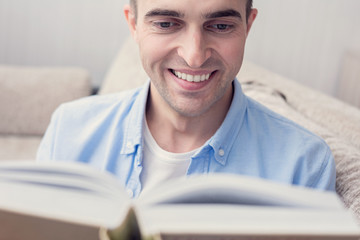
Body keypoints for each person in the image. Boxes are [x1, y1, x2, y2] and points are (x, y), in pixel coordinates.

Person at [37, 0, 336, 197]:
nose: (194, 57)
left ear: (248, 26)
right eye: (166, 24)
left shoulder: (305, 165)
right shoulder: (69, 130)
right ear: (133, 25)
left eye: (220, 26)